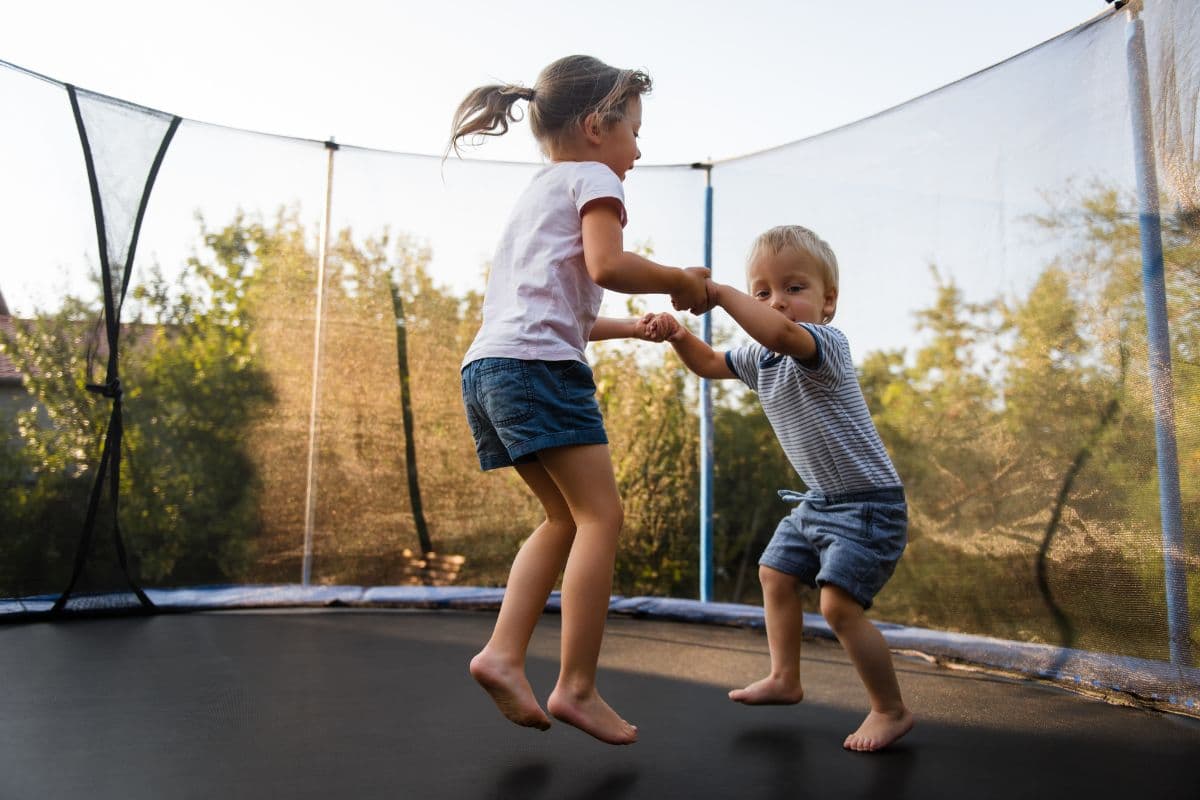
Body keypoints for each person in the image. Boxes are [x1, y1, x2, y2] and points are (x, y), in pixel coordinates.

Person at [448, 54, 711, 746]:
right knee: (602, 517)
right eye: (633, 130)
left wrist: (636, 326)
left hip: (489, 368)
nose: (638, 149)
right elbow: (608, 266)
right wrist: (679, 280)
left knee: (563, 519)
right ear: (597, 126)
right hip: (537, 369)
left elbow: (569, 309)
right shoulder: (595, 177)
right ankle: (577, 685)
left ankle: (503, 655)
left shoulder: (537, 195)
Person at [643, 225, 913, 752]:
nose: (776, 303)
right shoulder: (757, 359)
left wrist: (720, 294)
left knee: (837, 608)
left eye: (794, 289)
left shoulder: (824, 344)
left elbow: (780, 335)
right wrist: (679, 335)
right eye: (762, 291)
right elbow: (709, 364)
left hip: (868, 505)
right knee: (774, 574)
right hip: (817, 502)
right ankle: (785, 679)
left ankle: (890, 709)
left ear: (827, 301)